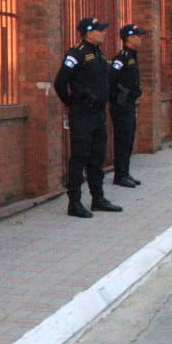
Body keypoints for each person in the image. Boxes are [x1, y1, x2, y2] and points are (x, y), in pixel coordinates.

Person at [53, 16, 122, 218]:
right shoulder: (77, 54)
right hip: (83, 113)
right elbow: (60, 82)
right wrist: (72, 102)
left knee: (97, 156)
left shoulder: (98, 53)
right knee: (79, 157)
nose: (104, 33)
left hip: (98, 113)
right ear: (89, 32)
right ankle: (74, 203)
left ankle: (97, 198)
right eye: (100, 30)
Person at [109, 24, 147, 188]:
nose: (140, 38)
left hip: (128, 105)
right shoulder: (122, 57)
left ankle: (124, 172)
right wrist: (119, 96)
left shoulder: (132, 56)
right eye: (138, 35)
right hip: (121, 105)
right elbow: (111, 79)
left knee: (128, 138)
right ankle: (120, 174)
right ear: (129, 38)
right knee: (123, 139)